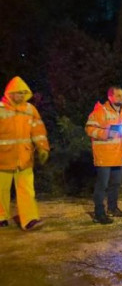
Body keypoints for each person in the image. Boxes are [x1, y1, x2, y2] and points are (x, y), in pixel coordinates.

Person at [0, 76, 49, 230]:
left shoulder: (30, 109)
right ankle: (1, 217)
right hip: (3, 157)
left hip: (25, 157)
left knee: (27, 190)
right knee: (1, 190)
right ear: (10, 93)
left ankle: (30, 220)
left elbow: (38, 131)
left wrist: (43, 147)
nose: (21, 96)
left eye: (23, 93)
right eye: (18, 93)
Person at [85, 86, 122, 224]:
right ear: (110, 97)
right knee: (102, 185)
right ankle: (99, 213)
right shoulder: (100, 111)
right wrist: (106, 134)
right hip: (104, 156)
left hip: (119, 155)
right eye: (118, 95)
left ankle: (112, 209)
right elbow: (89, 129)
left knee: (116, 184)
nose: (121, 97)